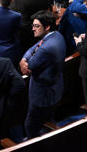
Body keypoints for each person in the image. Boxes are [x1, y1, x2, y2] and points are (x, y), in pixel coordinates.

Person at [20, 10, 66, 139]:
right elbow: (34, 47)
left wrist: (25, 62)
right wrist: (24, 59)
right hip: (55, 89)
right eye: (33, 25)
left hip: (42, 94)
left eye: (36, 26)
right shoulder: (57, 35)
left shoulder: (46, 48)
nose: (33, 29)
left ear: (47, 27)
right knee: (49, 119)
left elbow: (30, 67)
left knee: (30, 125)